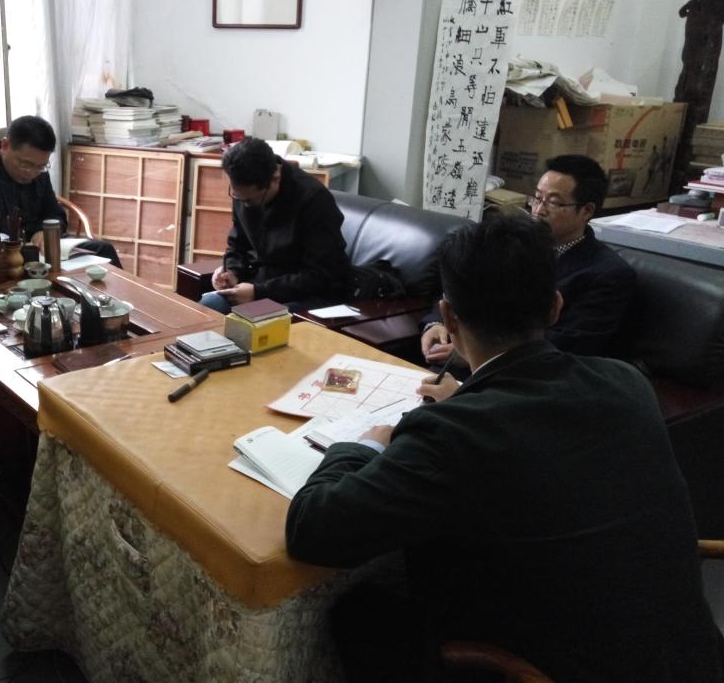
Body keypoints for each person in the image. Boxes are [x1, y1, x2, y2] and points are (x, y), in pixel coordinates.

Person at [286, 216, 723, 682]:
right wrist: (470, 401)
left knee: (360, 612)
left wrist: (361, 446)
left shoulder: (450, 436)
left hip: (541, 670)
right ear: (555, 307)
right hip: (693, 660)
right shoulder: (626, 384)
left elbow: (312, 528)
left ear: (448, 317)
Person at [421, 154, 635, 374]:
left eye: (553, 202)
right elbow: (462, 285)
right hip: (462, 359)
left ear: (587, 211)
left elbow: (571, 343)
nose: (539, 210)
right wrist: (437, 324)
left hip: (529, 375)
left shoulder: (607, 274)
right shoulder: (512, 243)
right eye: (537, 198)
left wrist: (478, 352)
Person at [201, 137, 350, 313]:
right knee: (208, 307)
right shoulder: (244, 190)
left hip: (304, 293)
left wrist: (259, 293)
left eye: (249, 200)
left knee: (252, 318)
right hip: (260, 283)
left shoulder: (314, 199)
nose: (244, 205)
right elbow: (238, 244)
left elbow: (323, 274)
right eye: (237, 196)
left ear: (275, 178)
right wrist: (232, 271)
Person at [0, 114, 121, 266]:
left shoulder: (39, 174)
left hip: (40, 252)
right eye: (25, 164)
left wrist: (44, 231)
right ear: (5, 146)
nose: (31, 173)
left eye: (41, 166)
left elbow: (55, 214)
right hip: (1, 259)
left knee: (104, 250)